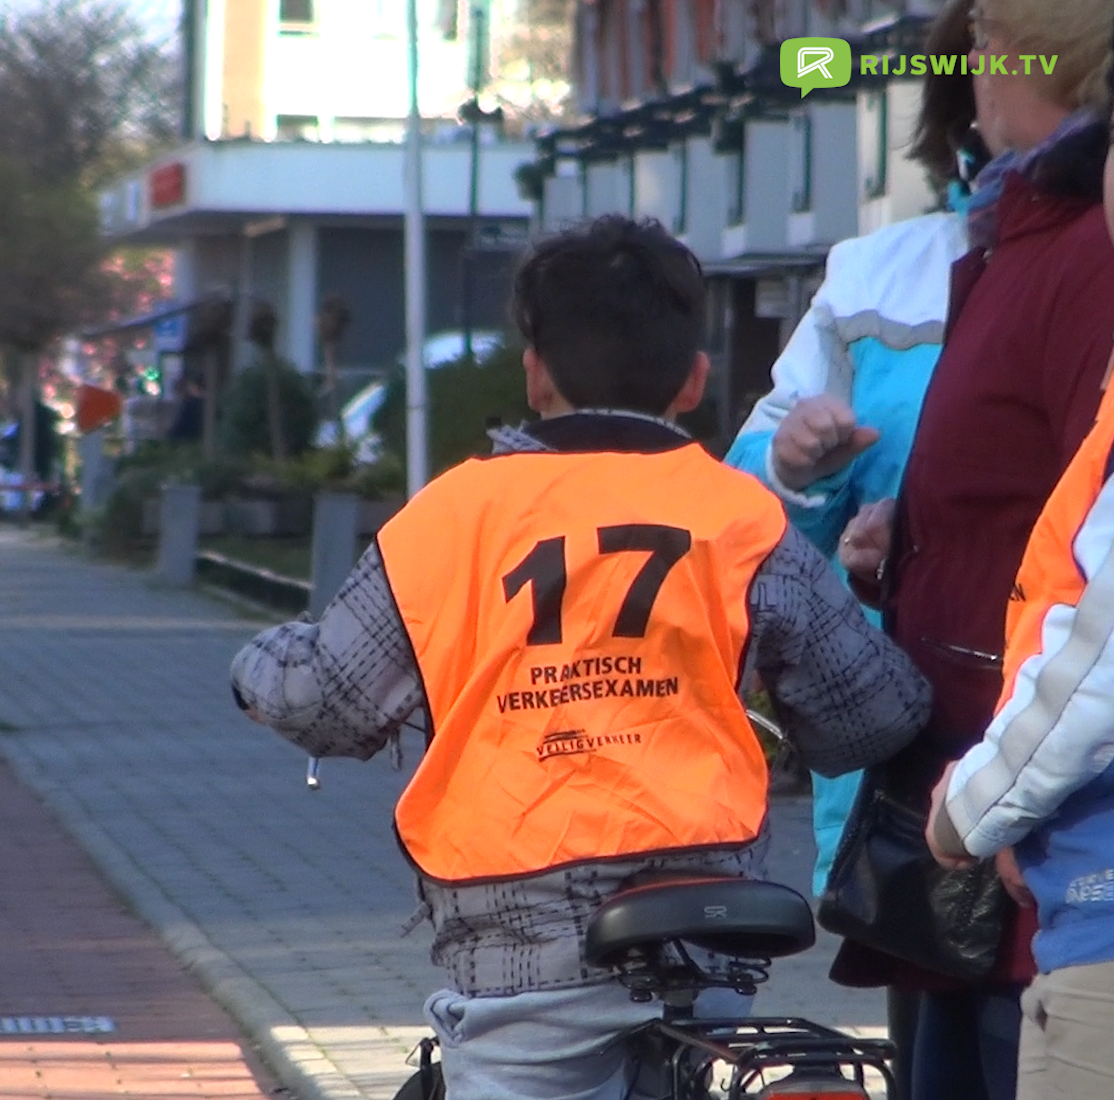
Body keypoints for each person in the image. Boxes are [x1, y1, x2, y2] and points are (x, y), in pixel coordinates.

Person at [228, 215, 932, 1100]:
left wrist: (259, 659)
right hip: (707, 922)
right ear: (694, 381)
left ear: (535, 371)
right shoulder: (741, 517)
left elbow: (323, 700)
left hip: (519, 945)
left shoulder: (454, 516)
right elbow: (875, 718)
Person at [829, 2, 1114, 1096]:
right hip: (984, 804)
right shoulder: (1025, 240)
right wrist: (908, 544)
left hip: (1028, 821)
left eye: (979, 57)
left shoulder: (1076, 254)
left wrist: (998, 795)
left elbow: (1089, 573)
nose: (968, 89)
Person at [726, 0, 978, 904]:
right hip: (904, 718)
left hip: (1075, 714)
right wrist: (795, 465)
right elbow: (741, 512)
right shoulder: (875, 275)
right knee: (929, 1017)